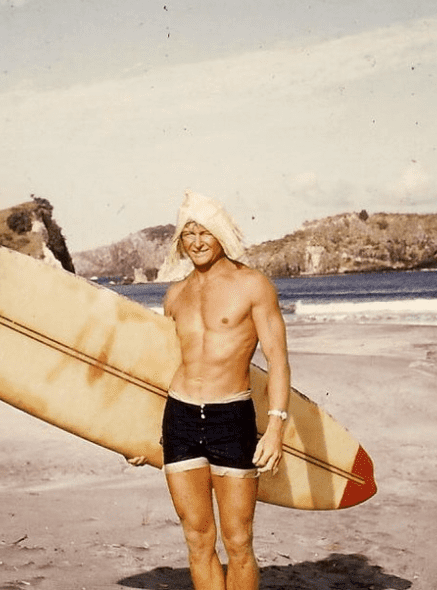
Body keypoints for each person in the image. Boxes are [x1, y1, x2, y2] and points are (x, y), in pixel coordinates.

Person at [158, 189, 291, 590]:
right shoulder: (175, 295)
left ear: (221, 235)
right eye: (188, 233)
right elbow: (166, 366)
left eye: (205, 232)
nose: (197, 242)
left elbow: (278, 361)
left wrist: (276, 427)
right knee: (197, 539)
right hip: (179, 417)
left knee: (238, 541)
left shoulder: (253, 286)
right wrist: (133, 434)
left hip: (230, 417)